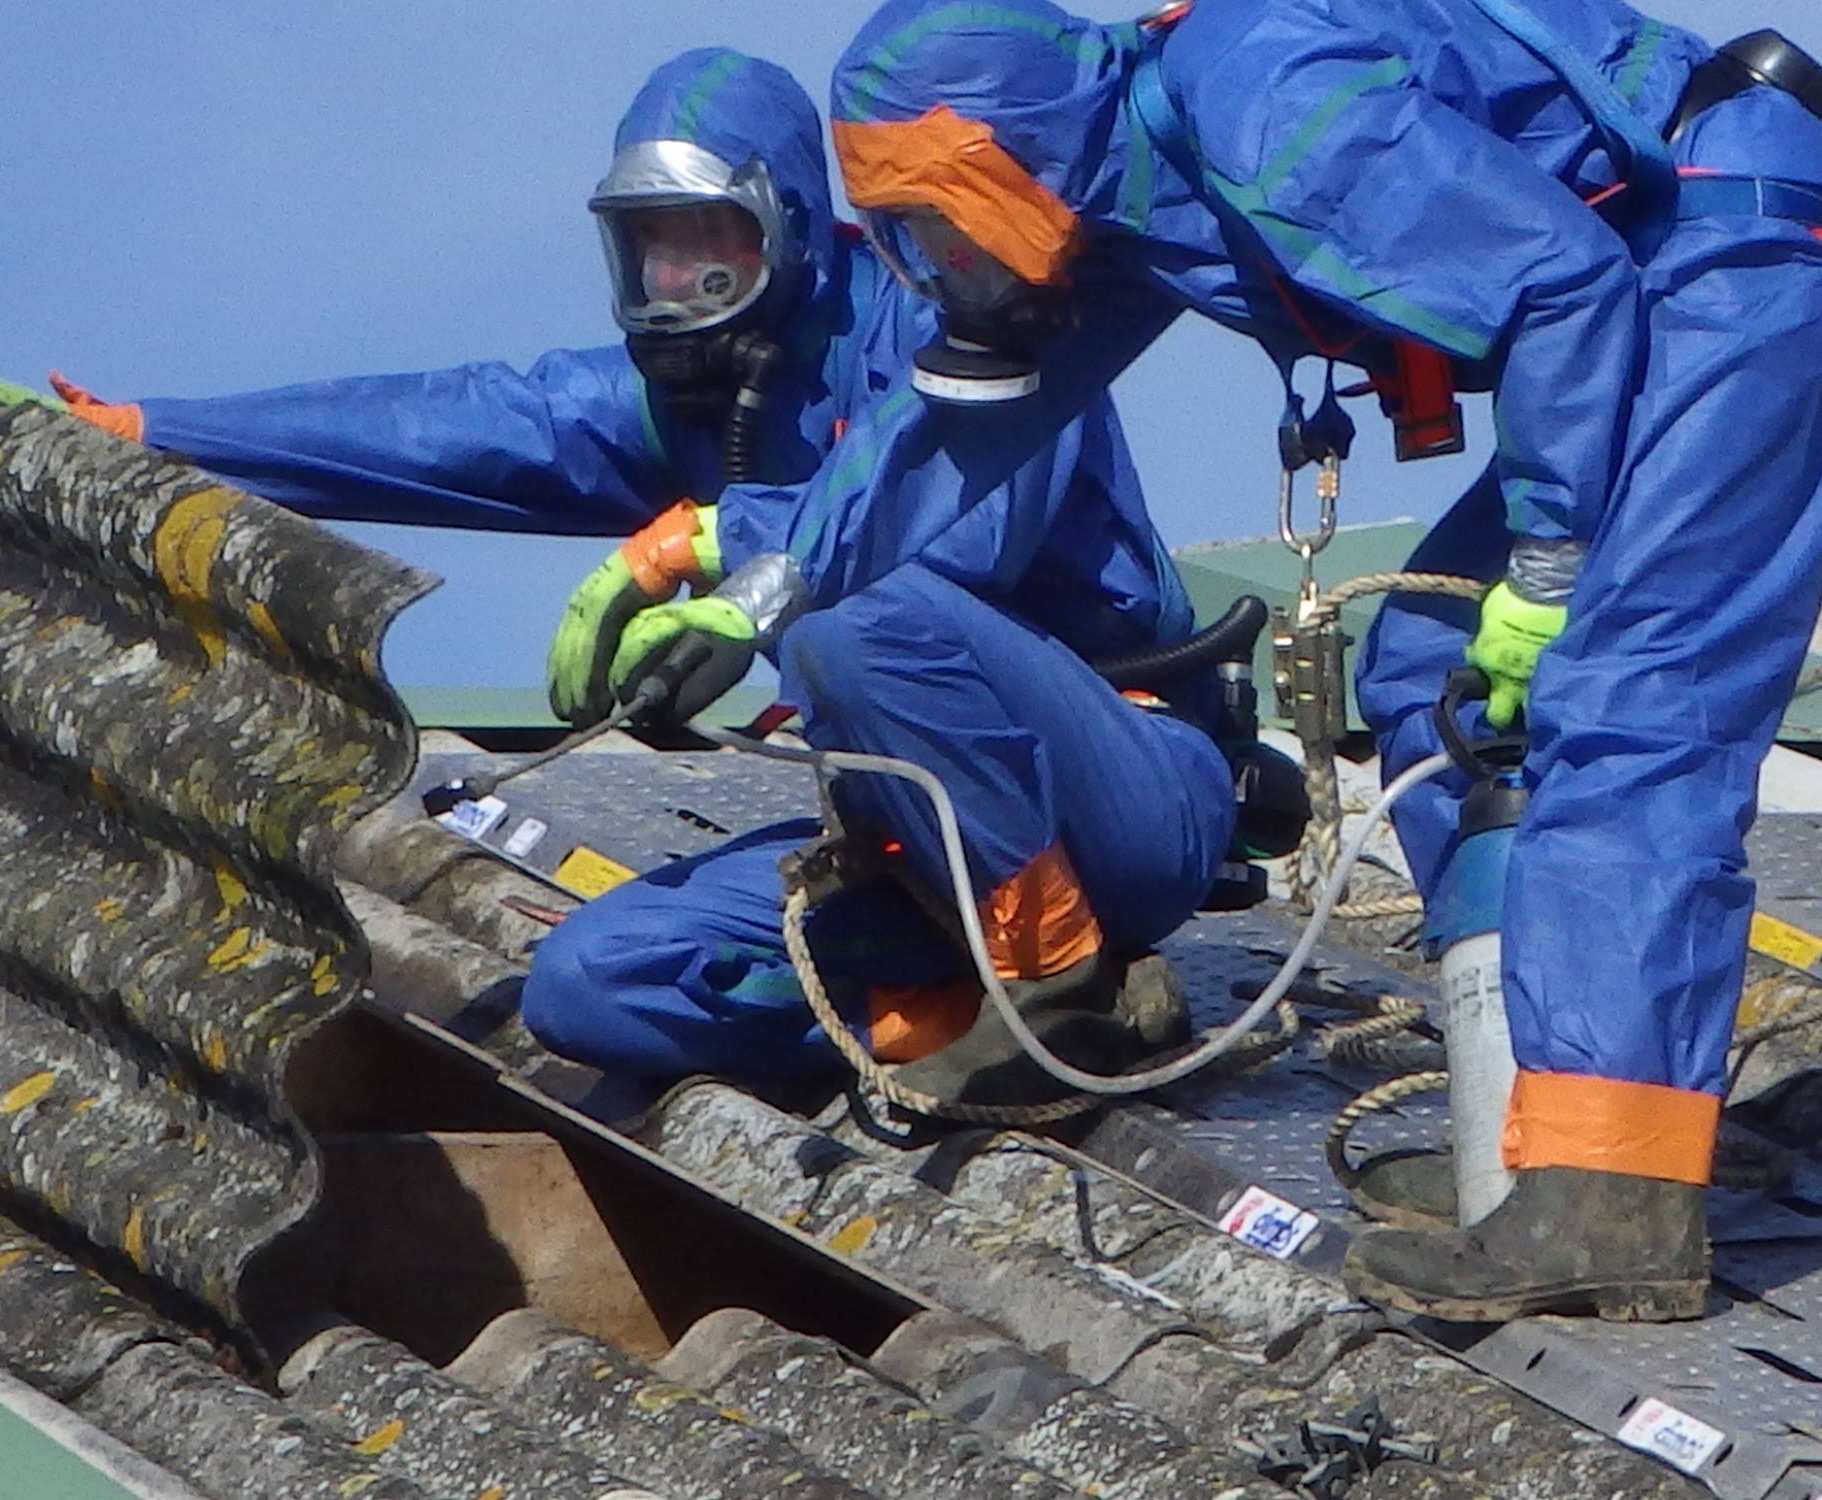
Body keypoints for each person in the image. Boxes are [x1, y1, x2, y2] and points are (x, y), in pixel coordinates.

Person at [0, 49, 1236, 1103]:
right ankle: (930, 981)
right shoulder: (681, 400)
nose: (675, 282)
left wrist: (711, 544)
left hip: (1120, 786)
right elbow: (446, 420)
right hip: (914, 841)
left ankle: (1056, 981)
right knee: (592, 988)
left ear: (795, 231)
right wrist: (138, 435)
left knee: (852, 614)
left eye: (712, 245)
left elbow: (948, 541)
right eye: (647, 248)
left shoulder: (970, 332)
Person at [754, 0, 1822, 1318]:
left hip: (1746, 253)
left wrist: (1550, 572)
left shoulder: (1256, 90)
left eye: (939, 220)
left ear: (1009, 150)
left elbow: (1561, 284)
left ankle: (1615, 1192)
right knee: (1433, 664)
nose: (940, 268)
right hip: (1672, 272)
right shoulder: (1129, 186)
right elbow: (954, 433)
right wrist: (767, 576)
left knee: (1622, 696)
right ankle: (1529, 1148)